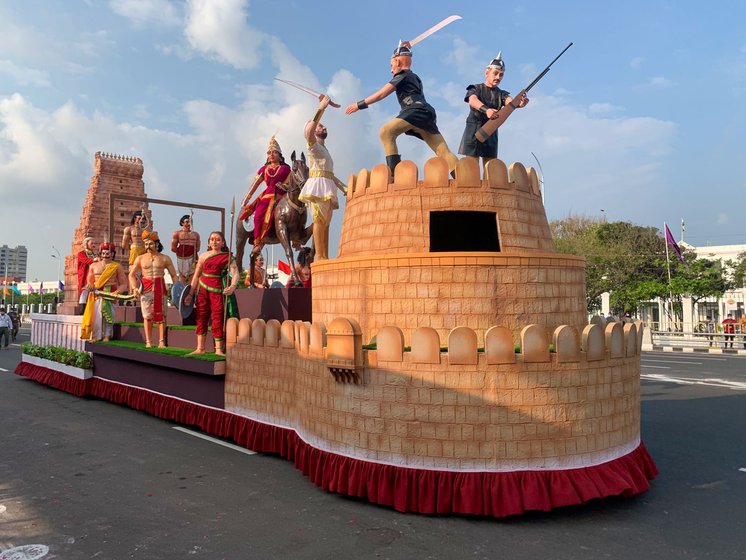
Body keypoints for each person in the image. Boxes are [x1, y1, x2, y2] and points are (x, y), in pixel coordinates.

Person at [345, 40, 458, 181]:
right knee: (443, 151)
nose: (391, 69)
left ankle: (394, 176)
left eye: (391, 65)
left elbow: (381, 94)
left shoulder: (402, 76)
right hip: (426, 114)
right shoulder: (415, 77)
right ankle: (464, 178)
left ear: (398, 62)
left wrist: (359, 104)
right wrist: (404, 48)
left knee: (386, 132)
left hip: (415, 110)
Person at [458, 53, 528, 170]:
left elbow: (510, 103)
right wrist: (487, 110)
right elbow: (472, 100)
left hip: (491, 131)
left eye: (501, 75)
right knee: (471, 165)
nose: (498, 77)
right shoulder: (475, 88)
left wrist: (519, 103)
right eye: (495, 73)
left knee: (491, 166)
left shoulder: (502, 94)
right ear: (487, 73)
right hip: (474, 129)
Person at [299, 95, 347, 260]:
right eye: (320, 125)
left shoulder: (325, 150)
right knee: (319, 221)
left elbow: (330, 175)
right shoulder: (312, 145)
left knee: (326, 224)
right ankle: (319, 256)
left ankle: (325, 255)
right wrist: (321, 108)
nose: (323, 126)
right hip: (317, 186)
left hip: (327, 184)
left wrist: (344, 188)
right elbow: (308, 132)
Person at [183, 231, 239, 355]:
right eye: (212, 239)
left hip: (218, 289)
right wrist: (190, 294)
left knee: (217, 317)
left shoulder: (228, 256)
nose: (214, 241)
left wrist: (232, 286)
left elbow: (235, 273)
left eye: (218, 239)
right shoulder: (203, 256)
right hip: (202, 289)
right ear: (208, 242)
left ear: (223, 242)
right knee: (201, 316)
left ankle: (218, 349)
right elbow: (196, 276)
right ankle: (200, 348)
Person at [239, 136, 292, 256]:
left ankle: (297, 238)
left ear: (279, 154)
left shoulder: (286, 169)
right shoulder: (264, 169)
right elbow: (255, 185)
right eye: (269, 153)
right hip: (267, 195)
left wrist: (284, 187)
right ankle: (258, 242)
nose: (271, 155)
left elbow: (292, 184)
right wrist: (247, 198)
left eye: (274, 152)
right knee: (258, 214)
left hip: (282, 195)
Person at [129, 231, 179, 348]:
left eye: (150, 244)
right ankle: (148, 342)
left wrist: (177, 290)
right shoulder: (140, 258)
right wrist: (135, 288)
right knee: (147, 316)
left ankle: (161, 341)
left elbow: (174, 276)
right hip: (145, 288)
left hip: (160, 287)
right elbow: (131, 275)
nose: (148, 247)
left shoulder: (165, 258)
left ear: (156, 244)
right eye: (146, 244)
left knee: (161, 315)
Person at [80, 242, 128, 342]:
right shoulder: (93, 266)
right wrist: (90, 286)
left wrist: (117, 292)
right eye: (103, 253)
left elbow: (124, 284)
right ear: (100, 253)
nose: (105, 255)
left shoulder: (117, 266)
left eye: (108, 253)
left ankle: (107, 335)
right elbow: (90, 281)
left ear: (113, 254)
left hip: (110, 292)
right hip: (97, 292)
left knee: (108, 315)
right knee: (96, 315)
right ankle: (96, 336)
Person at [171, 214, 201, 281]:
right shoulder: (177, 233)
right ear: (182, 223)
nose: (189, 223)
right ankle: (182, 290)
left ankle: (192, 290)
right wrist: (180, 252)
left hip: (193, 257)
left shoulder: (196, 234)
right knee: (182, 276)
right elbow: (173, 248)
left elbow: (198, 248)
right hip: (182, 257)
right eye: (187, 222)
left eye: (190, 221)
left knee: (193, 275)